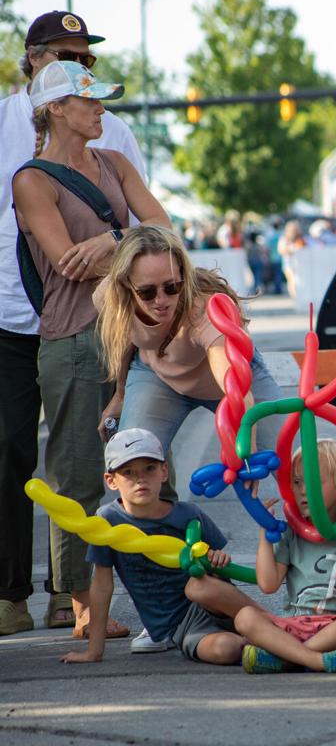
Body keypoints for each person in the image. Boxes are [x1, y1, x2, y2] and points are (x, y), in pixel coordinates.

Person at [12, 60, 172, 641]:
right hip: (75, 337)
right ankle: (79, 604)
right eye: (91, 101)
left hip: (135, 333)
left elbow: (165, 231)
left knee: (154, 470)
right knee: (79, 476)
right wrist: (135, 240)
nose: (102, 108)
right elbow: (65, 261)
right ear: (57, 108)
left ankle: (165, 598)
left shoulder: (117, 162)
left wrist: (109, 240)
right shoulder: (33, 179)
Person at [94, 225, 285, 485]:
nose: (161, 300)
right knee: (132, 461)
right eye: (147, 292)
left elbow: (234, 387)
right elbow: (125, 341)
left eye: (172, 287)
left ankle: (321, 522)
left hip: (230, 381)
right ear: (126, 284)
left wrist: (246, 446)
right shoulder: (109, 296)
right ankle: (155, 524)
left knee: (296, 462)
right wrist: (120, 395)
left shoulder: (203, 307)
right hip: (158, 376)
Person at [61, 430, 255, 665]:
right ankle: (270, 645)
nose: (140, 479)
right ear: (111, 480)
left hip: (217, 605)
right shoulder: (108, 520)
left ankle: (278, 628)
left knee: (199, 588)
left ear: (164, 471)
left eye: (149, 468)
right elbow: (102, 586)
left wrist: (217, 561)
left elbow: (220, 570)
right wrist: (94, 651)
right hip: (181, 627)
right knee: (226, 649)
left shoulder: (188, 514)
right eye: (128, 472)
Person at [236, 440, 336, 674]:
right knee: (245, 618)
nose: (303, 490)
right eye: (297, 482)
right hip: (295, 624)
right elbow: (268, 584)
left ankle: (285, 659)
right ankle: (317, 661)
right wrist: (264, 535)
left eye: (313, 482)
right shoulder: (290, 534)